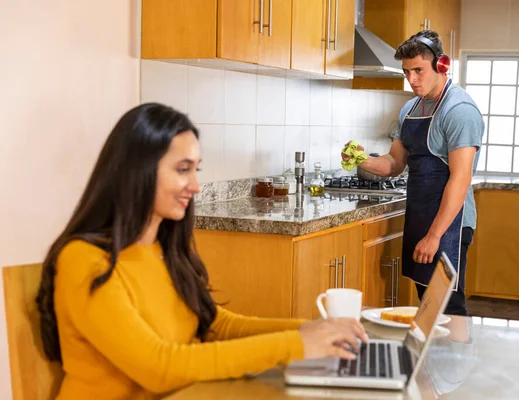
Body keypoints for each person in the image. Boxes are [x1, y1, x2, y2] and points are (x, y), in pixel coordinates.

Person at [36, 103, 368, 399]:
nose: (195, 186)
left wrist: (307, 330)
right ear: (137, 171)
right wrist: (295, 345)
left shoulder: (161, 249)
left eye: (196, 170)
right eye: (183, 170)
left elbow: (214, 325)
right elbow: (158, 366)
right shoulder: (84, 259)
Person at [341, 30, 484, 316]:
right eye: (407, 72)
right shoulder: (410, 109)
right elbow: (394, 163)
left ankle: (456, 359)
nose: (412, 79)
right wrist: (360, 158)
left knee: (448, 305)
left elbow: (460, 179)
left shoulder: (459, 110)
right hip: (420, 215)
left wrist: (434, 236)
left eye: (418, 70)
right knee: (428, 303)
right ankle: (433, 361)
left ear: (441, 65)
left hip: (449, 225)